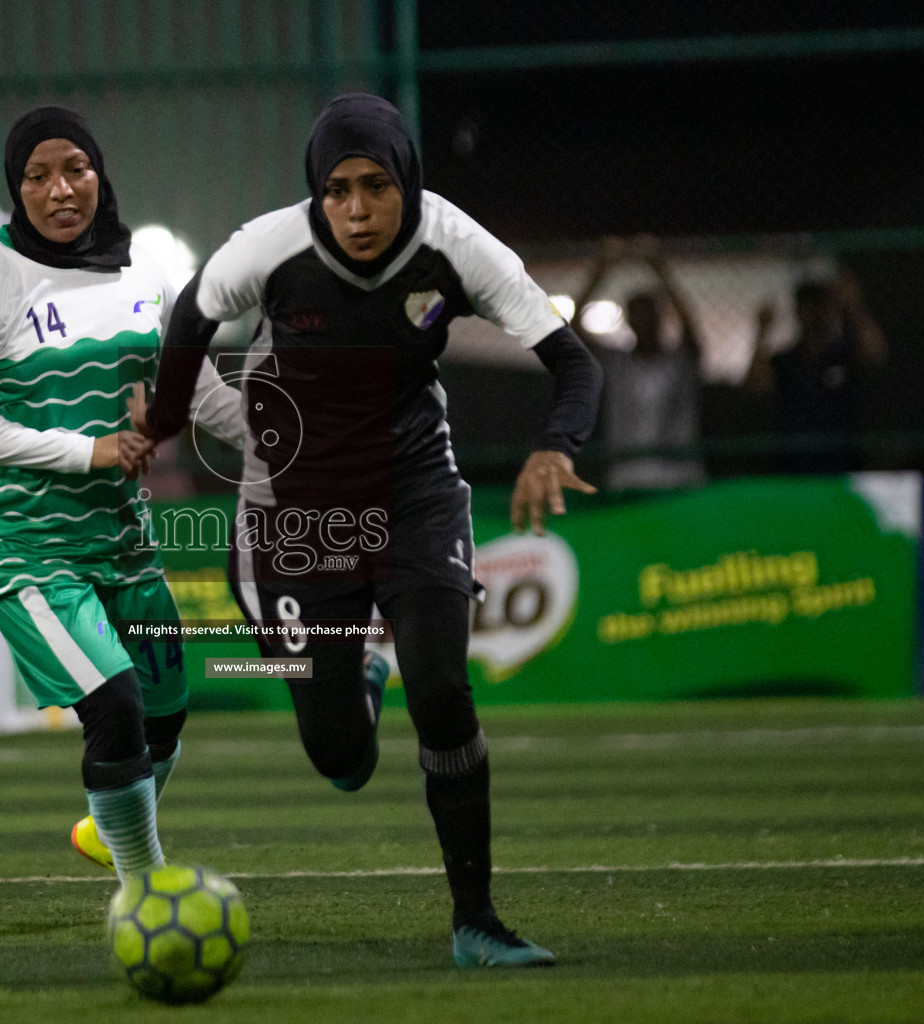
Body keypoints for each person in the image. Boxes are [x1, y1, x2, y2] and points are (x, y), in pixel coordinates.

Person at [130, 94, 602, 968]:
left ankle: (476, 923)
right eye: (338, 190)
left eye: (375, 187)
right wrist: (162, 420)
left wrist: (553, 446)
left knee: (445, 693)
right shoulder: (267, 248)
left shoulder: (458, 248)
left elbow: (573, 363)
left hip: (414, 492)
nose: (355, 209)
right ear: (316, 193)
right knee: (339, 757)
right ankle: (364, 676)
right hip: (291, 515)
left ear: (407, 183)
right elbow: (191, 321)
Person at [0, 106, 241, 882]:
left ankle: (111, 831)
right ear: (16, 189)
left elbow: (199, 393)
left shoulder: (145, 272)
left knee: (167, 713)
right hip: (19, 540)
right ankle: (148, 890)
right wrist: (90, 449)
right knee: (116, 707)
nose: (61, 189)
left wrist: (303, 450)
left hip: (118, 535)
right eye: (38, 176)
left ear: (100, 175)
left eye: (76, 168)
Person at [572, 235, 707, 490]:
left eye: (650, 314)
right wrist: (601, 270)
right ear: (630, 321)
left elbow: (691, 329)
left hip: (678, 477)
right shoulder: (616, 363)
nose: (644, 321)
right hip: (627, 477)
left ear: (660, 318)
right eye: (637, 315)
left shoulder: (680, 362)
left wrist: (659, 269)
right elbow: (571, 331)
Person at [746, 268, 886, 473]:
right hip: (794, 465)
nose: (815, 312)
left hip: (842, 463)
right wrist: (762, 333)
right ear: (797, 310)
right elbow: (756, 386)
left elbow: (876, 354)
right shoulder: (786, 360)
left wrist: (854, 308)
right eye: (807, 305)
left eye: (821, 304)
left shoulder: (844, 354)